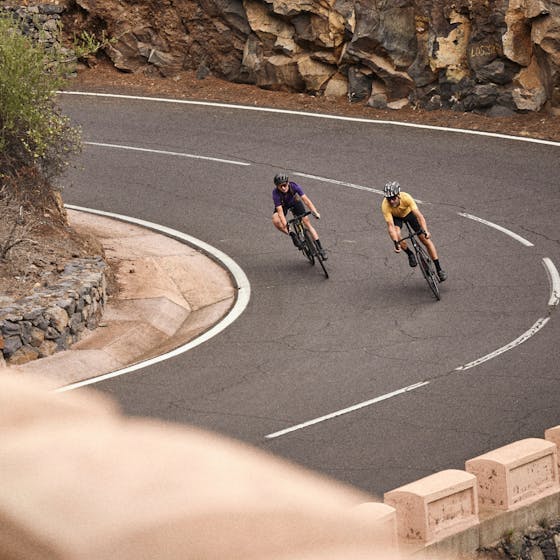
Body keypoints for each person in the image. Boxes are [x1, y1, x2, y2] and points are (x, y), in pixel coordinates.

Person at [381, 180, 447, 282]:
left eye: (393, 198)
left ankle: (439, 269)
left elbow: (420, 216)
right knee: (397, 233)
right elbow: (390, 227)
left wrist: (426, 231)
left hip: (409, 214)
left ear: (398, 195)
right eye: (389, 199)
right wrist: (395, 243)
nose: (391, 201)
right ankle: (410, 254)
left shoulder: (406, 198)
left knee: (425, 240)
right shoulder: (385, 205)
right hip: (396, 218)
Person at [271, 172, 327, 259]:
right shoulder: (275, 193)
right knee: (275, 220)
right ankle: (293, 235)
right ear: (277, 186)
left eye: (284, 185)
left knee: (306, 222)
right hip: (283, 206)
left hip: (295, 202)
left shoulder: (294, 186)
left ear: (288, 183)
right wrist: (286, 225)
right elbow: (280, 211)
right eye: (280, 186)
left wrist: (315, 212)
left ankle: (320, 248)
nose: (283, 188)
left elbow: (306, 200)